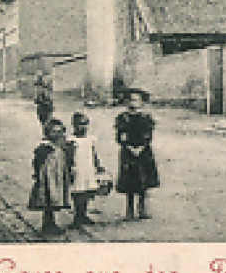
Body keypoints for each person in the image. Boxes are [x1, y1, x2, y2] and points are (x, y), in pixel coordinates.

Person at [115, 86, 159, 220]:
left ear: (141, 102)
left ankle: (143, 208)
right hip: (128, 152)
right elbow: (120, 136)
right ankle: (129, 210)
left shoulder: (146, 118)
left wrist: (141, 147)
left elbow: (148, 135)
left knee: (143, 180)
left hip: (143, 151)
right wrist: (128, 146)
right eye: (130, 100)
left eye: (136, 100)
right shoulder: (122, 118)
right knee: (129, 180)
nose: (133, 103)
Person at [28, 117, 74, 237]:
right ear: (47, 133)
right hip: (47, 177)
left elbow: (67, 159)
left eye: (60, 132)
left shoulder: (62, 146)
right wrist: (38, 174)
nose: (57, 134)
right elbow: (37, 161)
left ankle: (52, 222)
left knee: (56, 199)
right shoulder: (44, 147)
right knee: (48, 198)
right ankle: (47, 223)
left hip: (58, 176)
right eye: (53, 132)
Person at [67, 111, 107, 229]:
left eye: (85, 124)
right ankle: (77, 216)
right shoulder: (71, 140)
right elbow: (69, 156)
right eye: (80, 124)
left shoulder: (90, 139)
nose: (83, 127)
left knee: (87, 192)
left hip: (88, 168)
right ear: (74, 125)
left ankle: (83, 214)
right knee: (78, 192)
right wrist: (70, 168)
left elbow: (93, 153)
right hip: (78, 169)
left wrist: (98, 165)